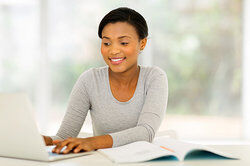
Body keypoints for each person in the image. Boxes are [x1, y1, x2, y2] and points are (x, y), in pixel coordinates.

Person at [43, 7, 168, 154]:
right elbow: (63, 137)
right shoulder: (89, 80)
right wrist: (47, 141)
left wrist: (92, 142)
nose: (113, 50)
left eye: (123, 43)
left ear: (142, 43)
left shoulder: (154, 78)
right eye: (107, 43)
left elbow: (145, 133)